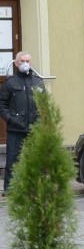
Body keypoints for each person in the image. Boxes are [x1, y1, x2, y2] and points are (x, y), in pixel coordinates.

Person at [0, 52, 46, 194]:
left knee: (36, 158)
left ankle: (36, 187)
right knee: (13, 159)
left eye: (28, 60)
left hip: (34, 127)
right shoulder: (10, 83)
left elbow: (44, 103)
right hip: (16, 127)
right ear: (16, 63)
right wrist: (11, 119)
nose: (25, 63)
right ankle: (10, 189)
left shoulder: (38, 82)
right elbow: (2, 104)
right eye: (22, 61)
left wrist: (42, 120)